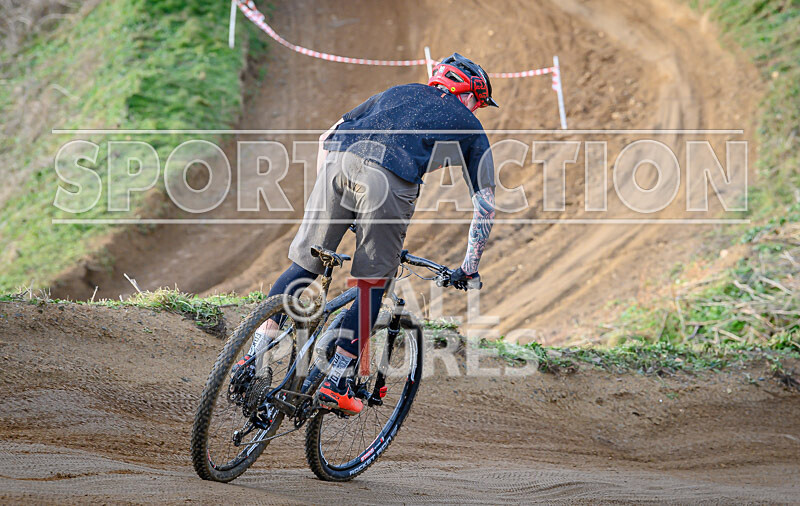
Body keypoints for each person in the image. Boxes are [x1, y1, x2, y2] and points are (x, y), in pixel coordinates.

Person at [239, 53, 498, 415]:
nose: (477, 109)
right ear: (468, 92)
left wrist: (333, 203)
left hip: (336, 164)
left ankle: (250, 360)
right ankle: (336, 380)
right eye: (479, 101)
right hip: (388, 179)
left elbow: (326, 136)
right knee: (373, 284)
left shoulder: (398, 91)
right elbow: (485, 204)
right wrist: (469, 267)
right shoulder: (468, 123)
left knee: (305, 265)